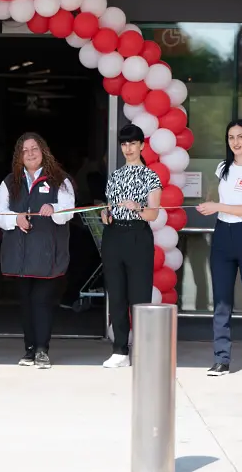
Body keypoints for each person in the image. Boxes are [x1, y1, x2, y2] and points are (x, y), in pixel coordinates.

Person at [0, 132, 76, 369]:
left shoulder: (60, 180)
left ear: (43, 152)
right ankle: (29, 349)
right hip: (20, 255)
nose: (29, 154)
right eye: (25, 150)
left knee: (41, 300)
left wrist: (54, 207)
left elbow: (69, 211)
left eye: (34, 149)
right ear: (19, 156)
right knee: (26, 302)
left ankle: (42, 350)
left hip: (47, 254)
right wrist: (15, 219)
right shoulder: (11, 181)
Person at [196, 119, 242, 378]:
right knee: (222, 301)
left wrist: (217, 206)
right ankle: (221, 359)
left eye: (240, 136)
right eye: (231, 138)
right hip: (222, 235)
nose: (235, 142)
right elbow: (214, 197)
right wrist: (209, 204)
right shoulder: (222, 168)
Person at [101, 124, 162, 368]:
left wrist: (137, 207)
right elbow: (108, 209)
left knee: (139, 296)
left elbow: (153, 214)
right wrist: (106, 215)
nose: (128, 149)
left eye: (132, 143)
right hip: (114, 236)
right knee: (116, 295)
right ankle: (119, 350)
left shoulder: (150, 176)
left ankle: (143, 351)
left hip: (138, 236)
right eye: (124, 144)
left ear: (141, 145)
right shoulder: (115, 176)